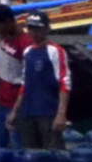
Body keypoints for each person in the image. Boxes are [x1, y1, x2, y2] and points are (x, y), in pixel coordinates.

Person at [16, 17, 69, 150]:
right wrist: (15, 110)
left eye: (37, 28)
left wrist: (61, 114)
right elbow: (24, 83)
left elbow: (64, 83)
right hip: (27, 112)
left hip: (48, 112)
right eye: (31, 28)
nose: (33, 32)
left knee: (53, 155)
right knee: (30, 155)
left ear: (47, 29)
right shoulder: (27, 52)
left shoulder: (55, 51)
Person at [0, 5, 25, 147]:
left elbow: (27, 81)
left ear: (8, 22)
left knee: (18, 143)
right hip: (2, 99)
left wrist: (16, 109)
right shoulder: (2, 37)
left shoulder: (25, 43)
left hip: (17, 101)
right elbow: (3, 68)